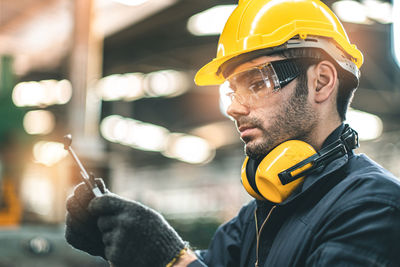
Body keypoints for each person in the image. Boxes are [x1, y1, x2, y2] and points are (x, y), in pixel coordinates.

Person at [65, 0, 400, 266]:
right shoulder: (261, 213)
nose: (234, 109)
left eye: (256, 83)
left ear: (321, 82)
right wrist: (119, 242)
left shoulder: (374, 209)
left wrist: (173, 262)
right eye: (232, 91)